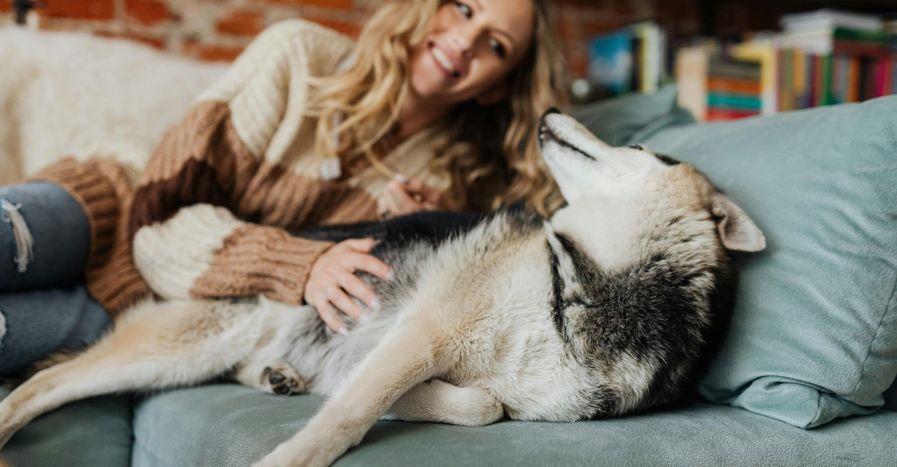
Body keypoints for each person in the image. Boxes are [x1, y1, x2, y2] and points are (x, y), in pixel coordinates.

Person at [0, 0, 566, 376]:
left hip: (157, 310)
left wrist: (429, 231)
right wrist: (303, 264)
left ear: (498, 88)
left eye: (495, 46)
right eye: (463, 7)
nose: (465, 40)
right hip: (110, 211)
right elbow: (159, 214)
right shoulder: (298, 56)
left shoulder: (448, 194)